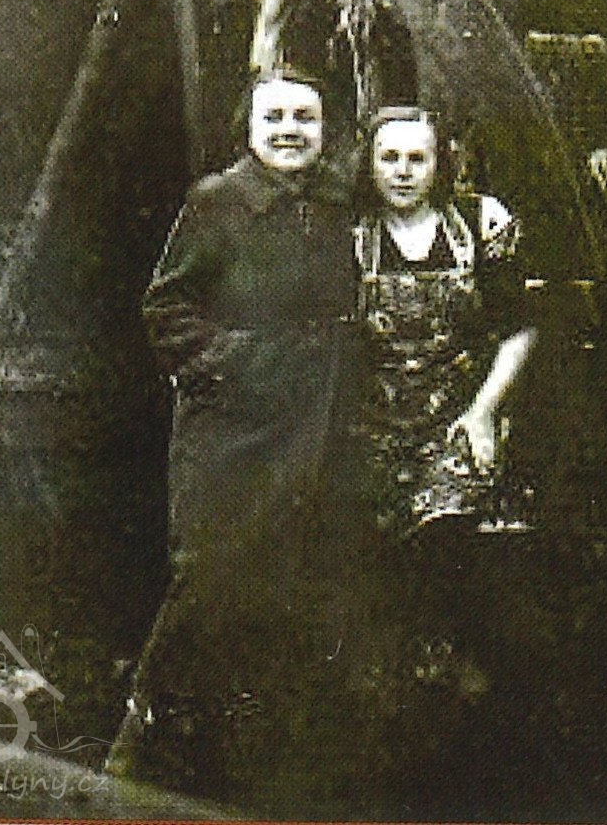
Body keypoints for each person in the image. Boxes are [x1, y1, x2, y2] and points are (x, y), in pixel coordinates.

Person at [109, 68, 362, 805]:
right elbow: (167, 309)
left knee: (289, 582)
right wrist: (235, 364)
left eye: (305, 118)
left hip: (316, 425)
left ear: (325, 131)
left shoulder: (338, 203)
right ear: (248, 129)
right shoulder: (217, 202)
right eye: (274, 117)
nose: (290, 131)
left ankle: (252, 759)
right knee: (210, 576)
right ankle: (141, 741)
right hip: (232, 430)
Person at [355, 105, 537, 538]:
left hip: (458, 422)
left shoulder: (479, 226)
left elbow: (519, 328)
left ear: (439, 164)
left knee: (448, 536)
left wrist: (483, 413)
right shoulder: (348, 234)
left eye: (417, 159)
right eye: (389, 158)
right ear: (369, 164)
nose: (403, 172)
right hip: (370, 433)